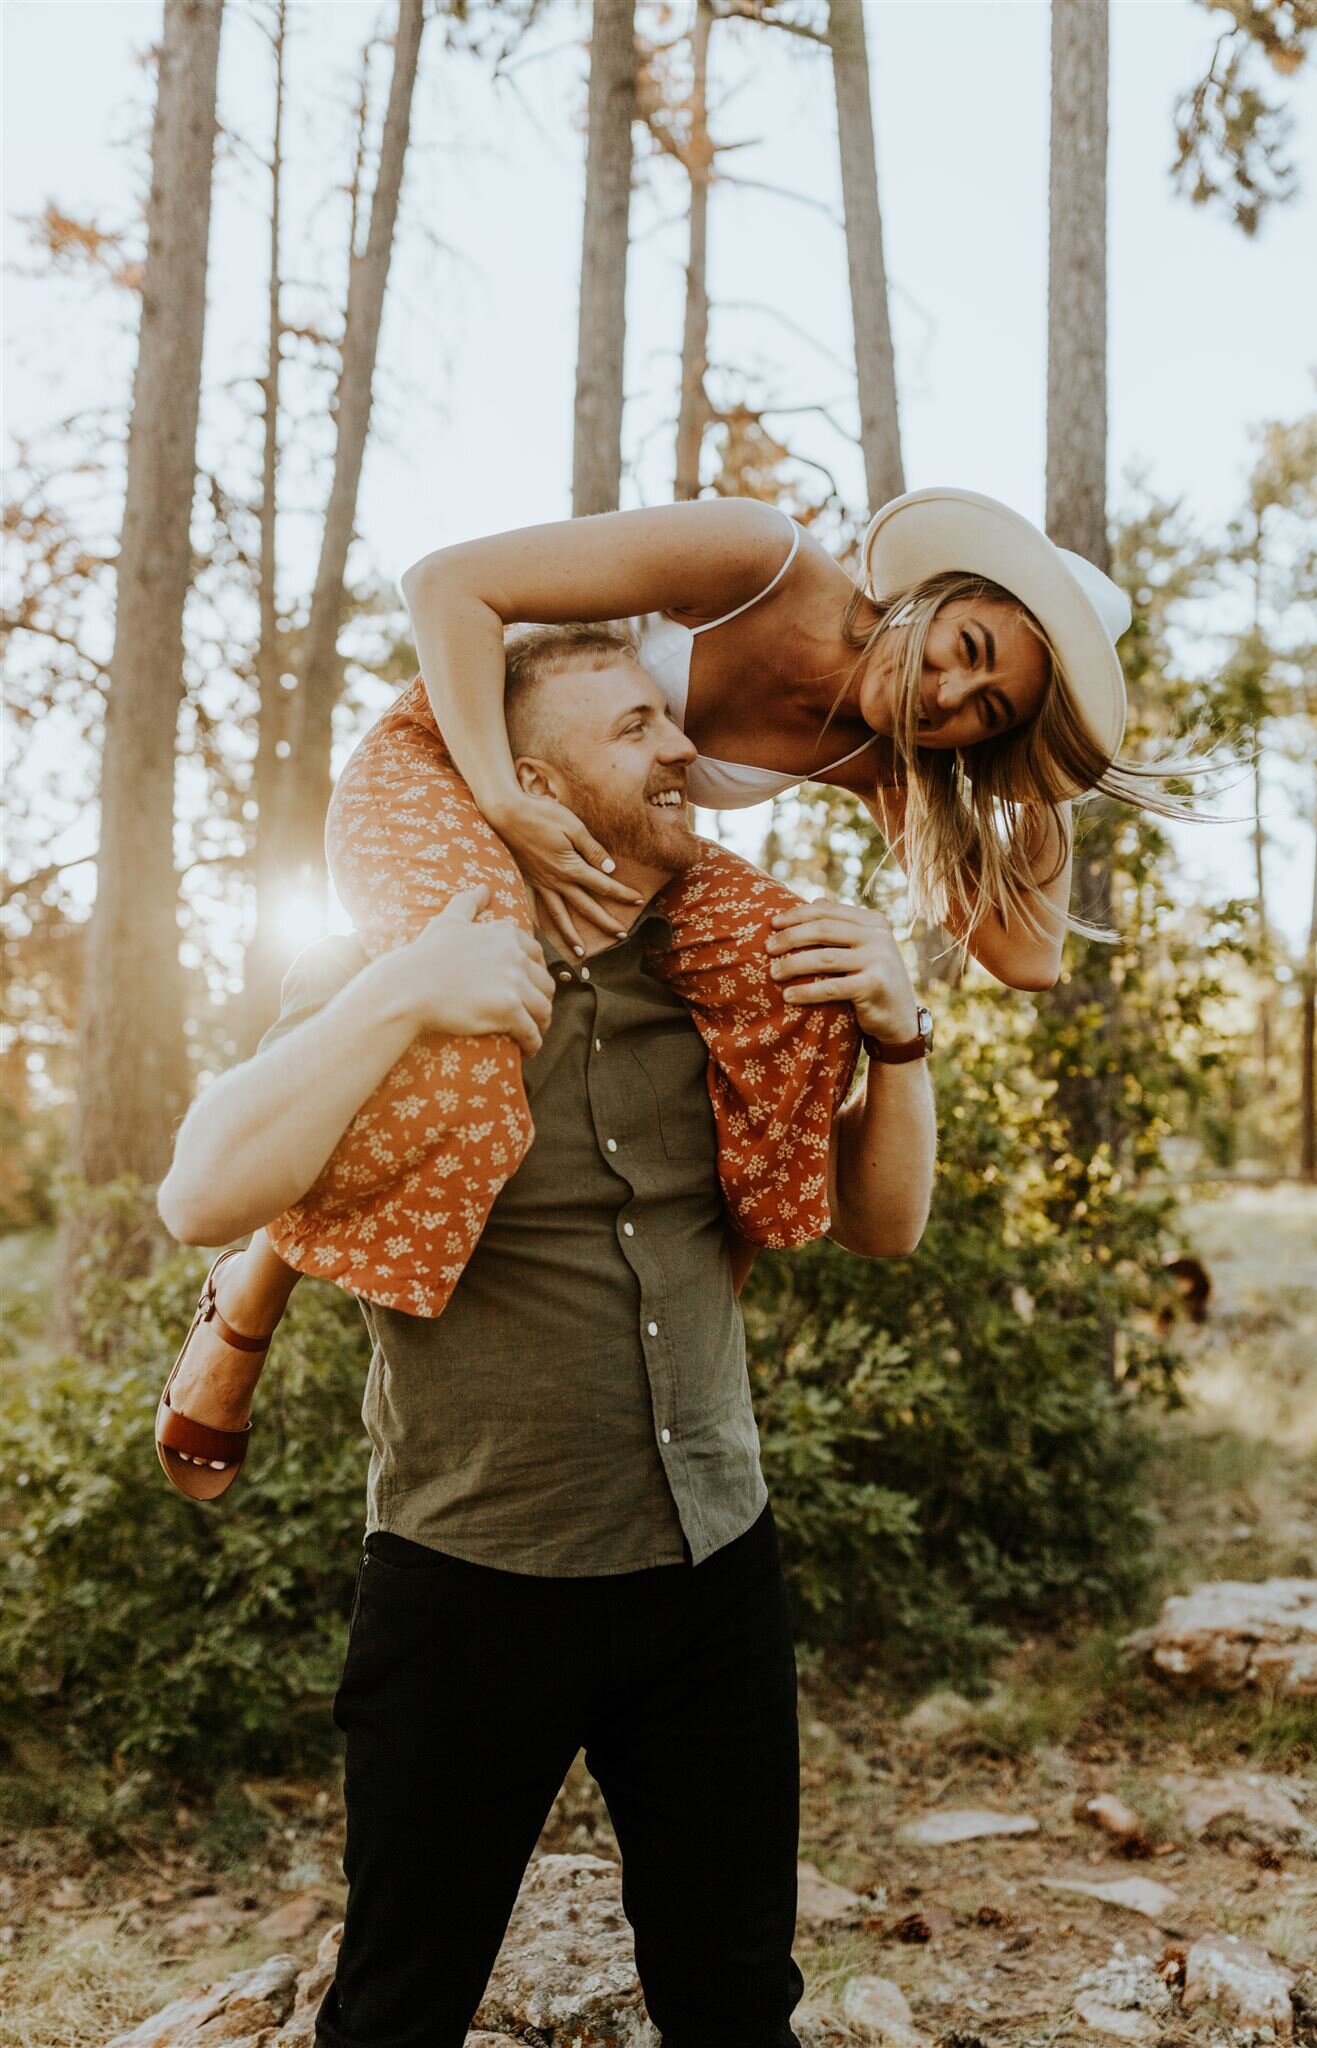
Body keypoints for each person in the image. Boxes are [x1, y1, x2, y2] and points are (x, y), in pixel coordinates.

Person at [158, 633, 936, 2045]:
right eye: (637, 727)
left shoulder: (730, 976)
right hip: (470, 1582)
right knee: (400, 2006)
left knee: (736, 2001)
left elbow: (883, 1231)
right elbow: (199, 1188)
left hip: (713, 1571)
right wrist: (405, 994)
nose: (681, 750)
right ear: (531, 781)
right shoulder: (392, 961)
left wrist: (901, 1041)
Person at [156, 484, 1140, 1492]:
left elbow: (1029, 957)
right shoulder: (757, 556)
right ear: (940, 593)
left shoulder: (885, 761)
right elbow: (447, 584)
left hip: (602, 819)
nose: (945, 696)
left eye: (987, 710)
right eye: (967, 648)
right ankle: (255, 1284)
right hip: (458, 759)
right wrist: (502, 795)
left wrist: (1042, 772)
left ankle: (682, 1353)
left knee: (797, 982)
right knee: (483, 999)